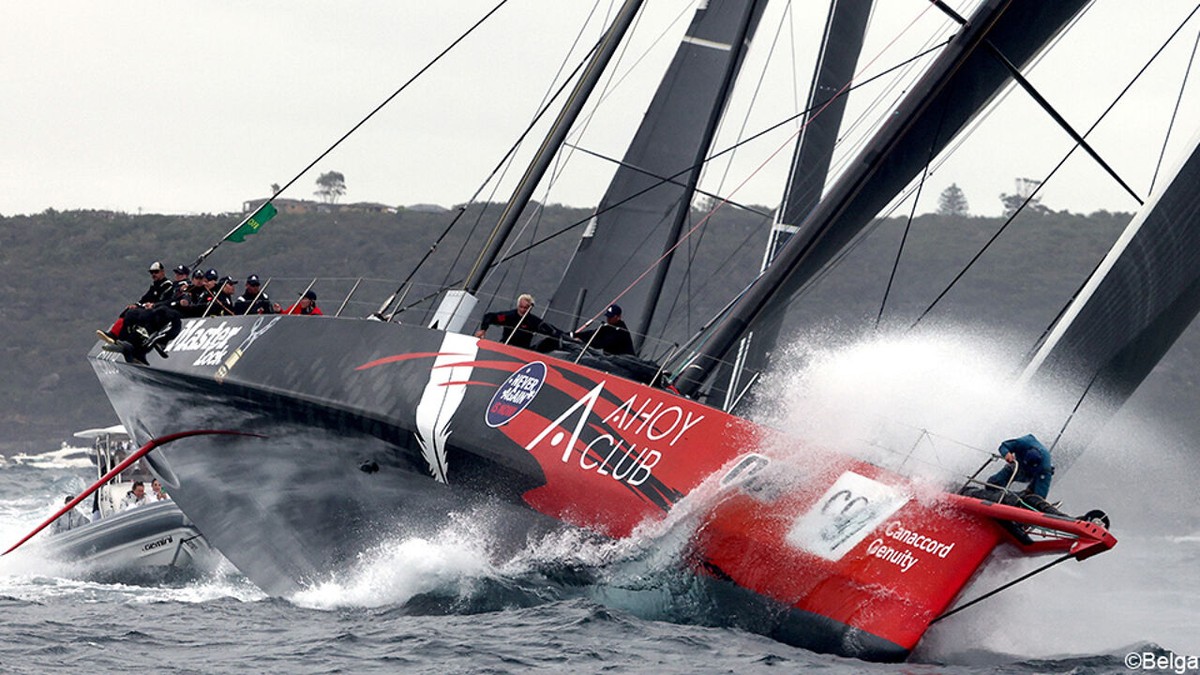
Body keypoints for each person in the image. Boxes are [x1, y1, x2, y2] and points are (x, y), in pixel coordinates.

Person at [474, 293, 565, 350]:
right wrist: (483, 329)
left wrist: (569, 335)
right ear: (518, 305)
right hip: (506, 346)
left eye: (525, 308)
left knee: (553, 340)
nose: (522, 310)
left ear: (530, 308)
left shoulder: (533, 321)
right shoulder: (508, 316)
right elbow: (489, 316)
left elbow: (551, 330)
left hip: (523, 351)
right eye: (521, 307)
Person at [987, 434, 1054, 498]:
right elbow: (1004, 446)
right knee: (1009, 470)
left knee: (1037, 491)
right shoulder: (1022, 442)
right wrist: (1006, 453)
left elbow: (1041, 494)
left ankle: (1027, 495)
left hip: (1034, 474)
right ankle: (992, 488)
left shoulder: (1045, 469)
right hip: (1019, 465)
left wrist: (1039, 500)